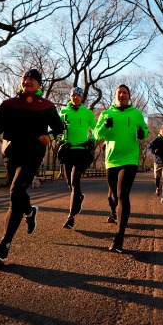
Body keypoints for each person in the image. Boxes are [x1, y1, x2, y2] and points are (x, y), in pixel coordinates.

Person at [0, 69, 64, 262]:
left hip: (33, 153)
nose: (27, 81)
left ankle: (4, 245)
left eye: (32, 79)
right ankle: (29, 211)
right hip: (10, 152)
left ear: (39, 84)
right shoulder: (9, 104)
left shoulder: (47, 106)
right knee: (16, 193)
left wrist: (49, 136)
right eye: (25, 78)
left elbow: (60, 129)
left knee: (16, 193)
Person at [93, 84, 149, 253]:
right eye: (119, 93)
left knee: (122, 193)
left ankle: (119, 236)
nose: (122, 95)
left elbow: (145, 130)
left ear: (129, 96)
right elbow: (96, 135)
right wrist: (105, 126)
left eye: (125, 93)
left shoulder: (137, 114)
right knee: (113, 195)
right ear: (115, 95)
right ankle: (117, 213)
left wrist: (142, 134)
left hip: (130, 159)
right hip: (111, 160)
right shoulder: (106, 113)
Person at [59, 87, 96, 230]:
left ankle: (71, 217)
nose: (75, 97)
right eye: (73, 95)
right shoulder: (64, 112)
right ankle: (79, 197)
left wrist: (91, 140)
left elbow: (96, 129)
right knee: (70, 183)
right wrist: (60, 140)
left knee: (75, 181)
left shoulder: (88, 113)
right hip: (68, 151)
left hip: (82, 151)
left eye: (78, 95)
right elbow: (59, 129)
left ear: (82, 98)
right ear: (70, 97)